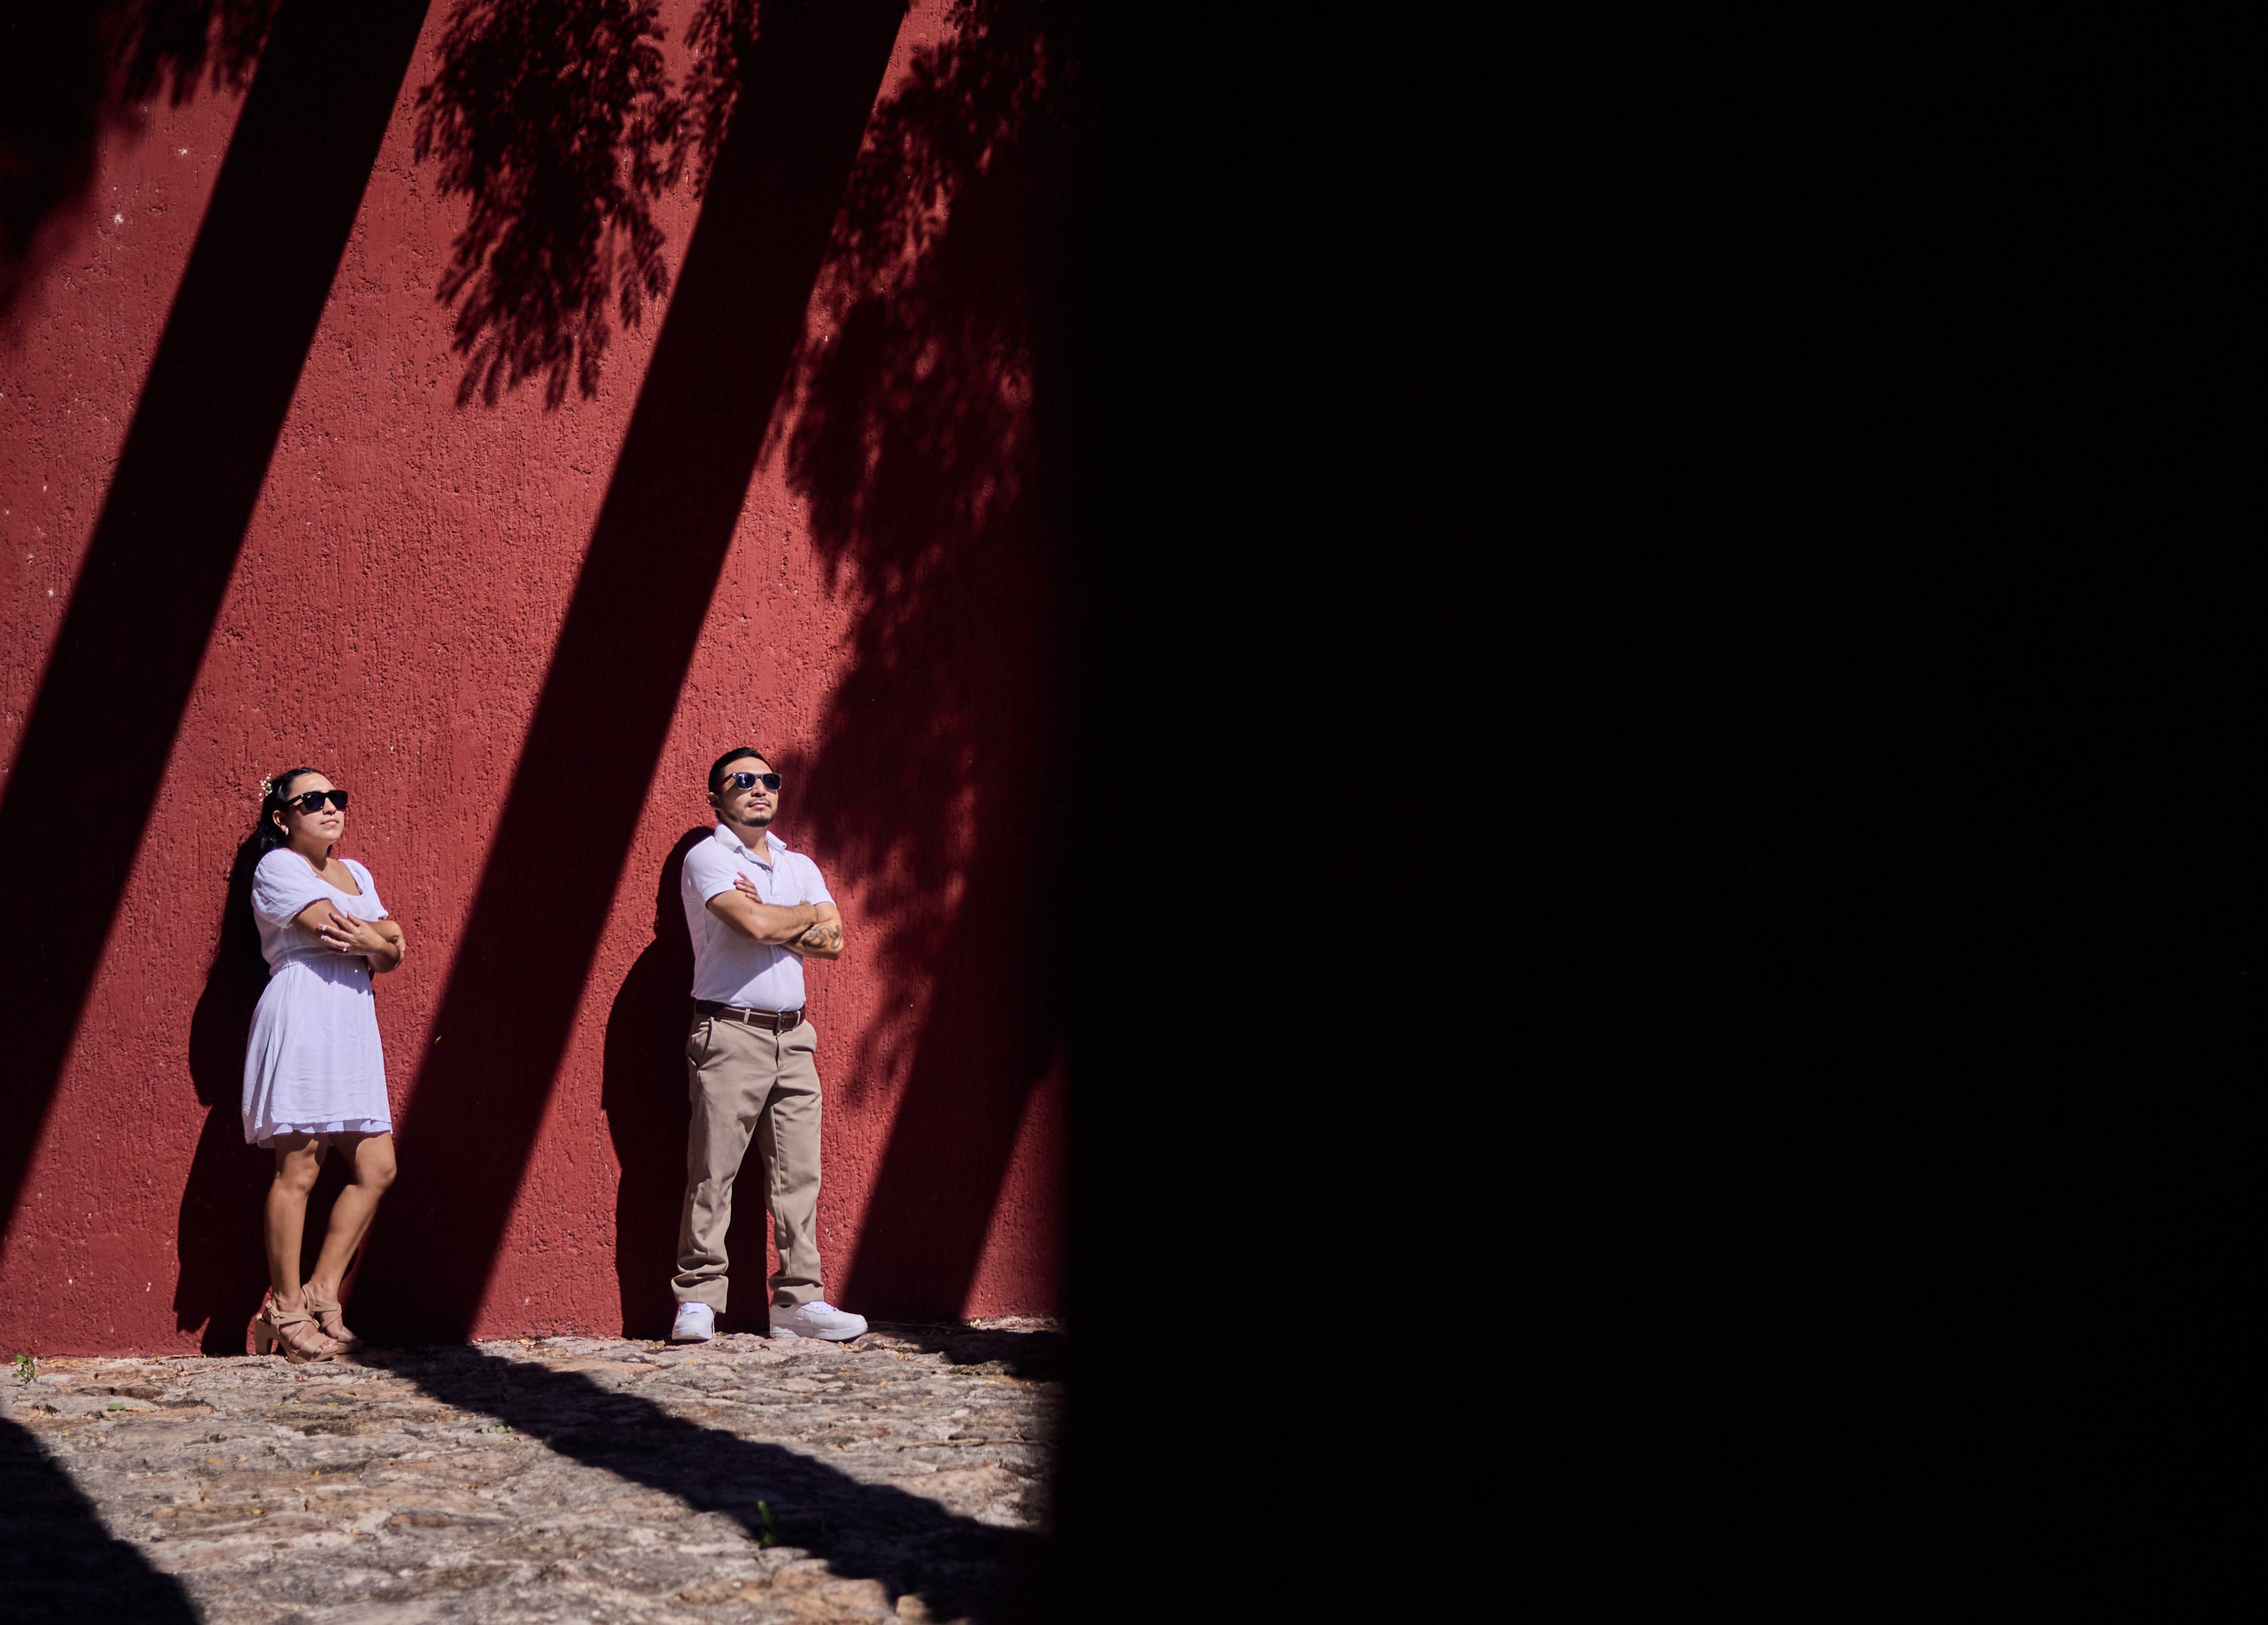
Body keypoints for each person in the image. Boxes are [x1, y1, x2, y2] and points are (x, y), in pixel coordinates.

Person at [670, 747, 866, 1342]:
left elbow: (834, 941)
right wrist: (799, 918)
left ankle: (797, 1303)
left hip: (794, 1037)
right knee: (713, 1171)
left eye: (769, 780)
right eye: (743, 780)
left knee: (798, 1176)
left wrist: (775, 913)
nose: (760, 788)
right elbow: (752, 925)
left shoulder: (797, 864)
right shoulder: (706, 857)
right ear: (716, 797)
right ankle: (698, 1299)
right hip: (730, 1031)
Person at [241, 768, 405, 1362]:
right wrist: (381, 938)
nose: (330, 807)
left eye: (336, 797)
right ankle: (284, 1311)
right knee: (300, 1167)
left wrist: (381, 942)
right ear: (282, 817)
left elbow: (393, 952)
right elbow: (337, 931)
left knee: (378, 1167)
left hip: (351, 1022)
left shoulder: (355, 872)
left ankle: (321, 1291)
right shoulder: (277, 867)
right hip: (304, 1012)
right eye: (312, 800)